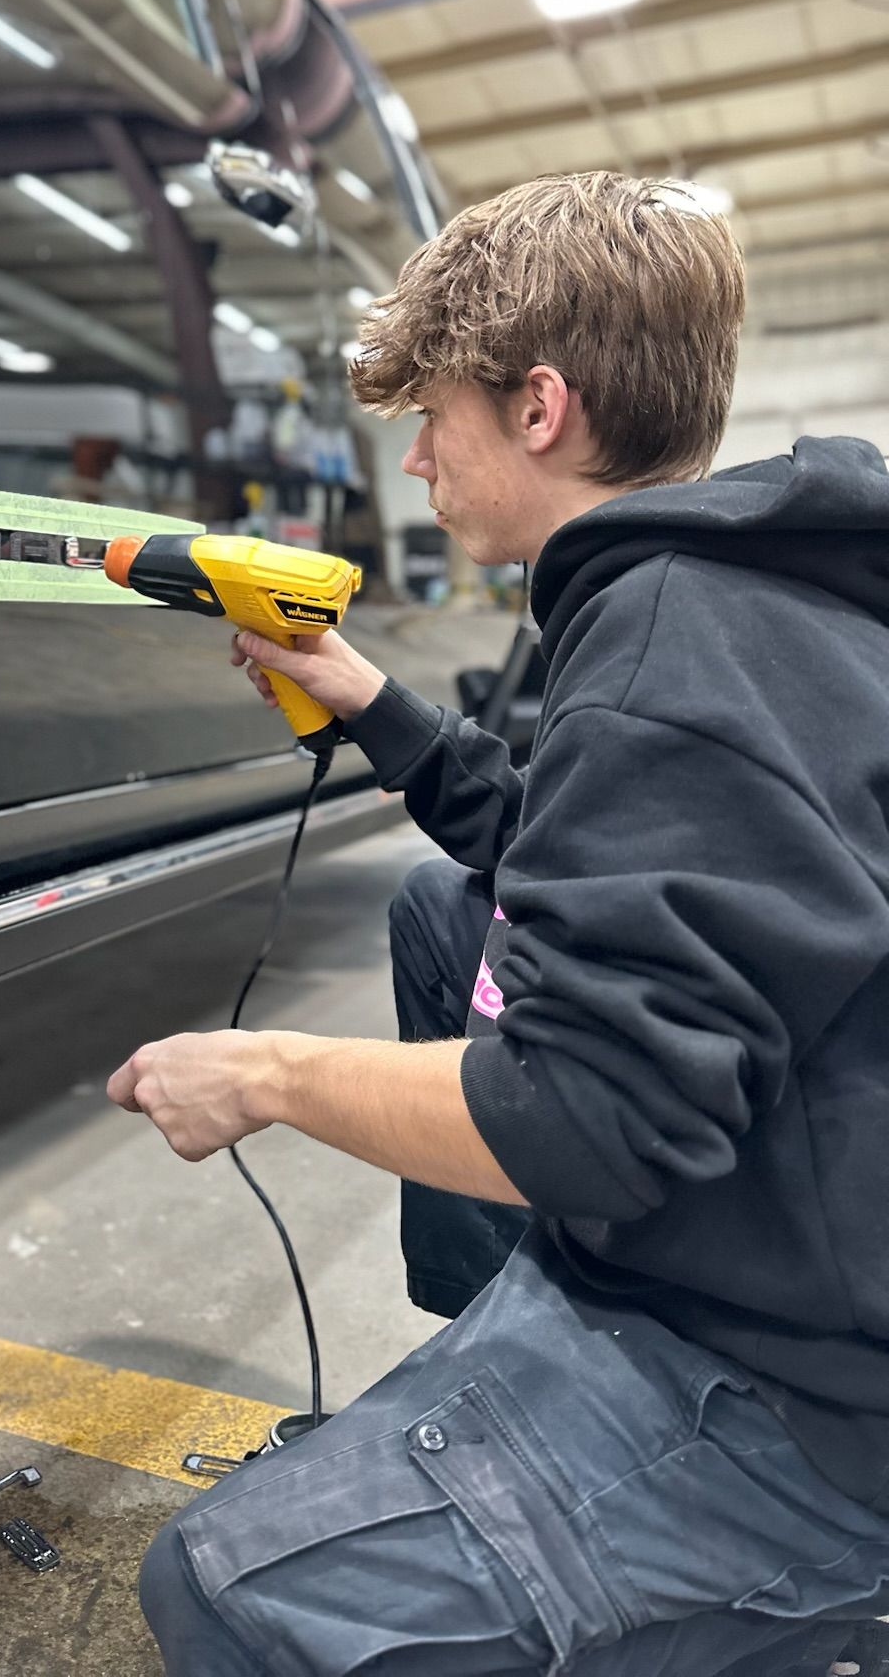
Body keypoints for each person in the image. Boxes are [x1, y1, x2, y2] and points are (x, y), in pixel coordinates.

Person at [109, 173, 889, 1676]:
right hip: (791, 1227)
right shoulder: (738, 596)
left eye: (435, 420)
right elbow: (565, 851)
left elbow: (588, 1114)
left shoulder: (678, 642)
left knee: (227, 1597)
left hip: (816, 1401)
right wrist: (372, 703)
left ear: (540, 408)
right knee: (437, 909)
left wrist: (261, 1073)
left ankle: (765, 1590)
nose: (413, 463)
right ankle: (509, 1386)